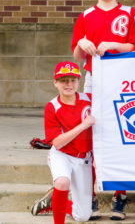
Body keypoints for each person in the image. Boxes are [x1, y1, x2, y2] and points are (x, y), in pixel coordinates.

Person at [70, 0, 135, 220]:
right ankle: (90, 197)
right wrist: (82, 42)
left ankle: (119, 196)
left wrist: (114, 45)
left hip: (122, 79)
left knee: (121, 133)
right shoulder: (86, 15)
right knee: (90, 132)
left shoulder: (130, 12)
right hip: (94, 78)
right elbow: (78, 56)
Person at [45, 61, 95, 224]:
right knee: (62, 181)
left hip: (84, 158)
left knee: (83, 216)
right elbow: (57, 142)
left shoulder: (88, 99)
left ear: (78, 81)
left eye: (73, 80)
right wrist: (83, 125)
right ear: (55, 83)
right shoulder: (52, 106)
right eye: (64, 80)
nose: (69, 84)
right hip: (62, 154)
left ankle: (55, 201)